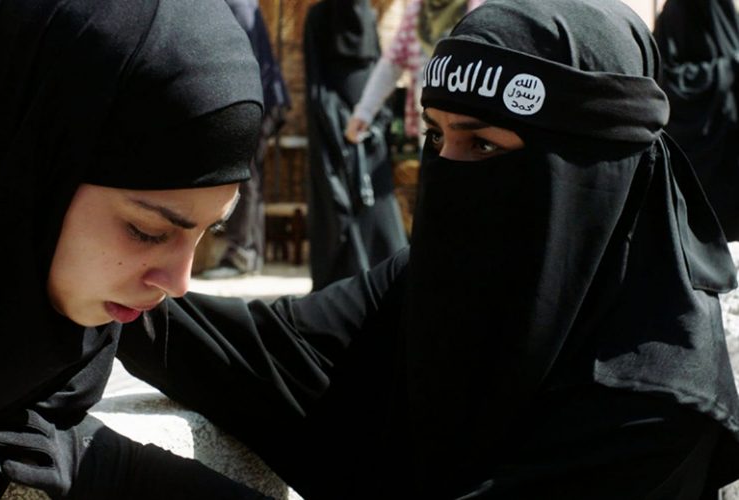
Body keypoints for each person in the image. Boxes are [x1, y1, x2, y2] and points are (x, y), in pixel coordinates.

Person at [116, 0, 739, 498]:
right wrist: (92, 283)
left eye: (483, 145)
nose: (447, 174)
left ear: (587, 170)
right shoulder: (435, 282)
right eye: (436, 138)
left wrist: (116, 472)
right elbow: (260, 352)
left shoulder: (653, 406)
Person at [0, 0, 274, 498]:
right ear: (32, 169)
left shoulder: (46, 368)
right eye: (147, 230)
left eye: (209, 231)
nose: (179, 283)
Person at [303, 0, 408, 290]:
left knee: (376, 208)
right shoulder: (321, 16)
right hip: (338, 126)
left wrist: (375, 121)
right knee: (340, 204)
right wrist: (340, 122)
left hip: (365, 123)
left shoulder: (365, 16)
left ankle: (384, 280)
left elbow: (377, 68)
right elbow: (316, 81)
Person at [202, 0, 291, 279]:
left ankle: (241, 254)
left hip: (257, 97)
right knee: (250, 177)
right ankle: (250, 254)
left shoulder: (235, 5)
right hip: (261, 97)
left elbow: (238, 60)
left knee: (243, 175)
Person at [654, 0, 739, 241]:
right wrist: (727, 68)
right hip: (695, 155)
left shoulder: (724, 11)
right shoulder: (678, 12)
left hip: (729, 149)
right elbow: (669, 82)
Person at [344, 0, 484, 145]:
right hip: (431, 127)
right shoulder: (418, 9)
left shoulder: (481, 10)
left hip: (473, 128)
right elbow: (392, 63)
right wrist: (364, 113)